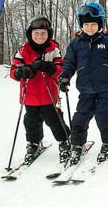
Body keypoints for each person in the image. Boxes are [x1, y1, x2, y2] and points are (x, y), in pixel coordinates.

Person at [58, 2, 108, 165]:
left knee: (103, 115)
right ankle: (77, 144)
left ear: (100, 24)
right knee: (80, 117)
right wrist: (64, 76)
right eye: (86, 24)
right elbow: (69, 63)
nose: (89, 27)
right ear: (81, 24)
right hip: (85, 88)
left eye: (93, 24)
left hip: (105, 87)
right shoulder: (75, 44)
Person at [10, 16, 71, 164]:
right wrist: (22, 72)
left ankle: (64, 141)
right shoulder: (22, 52)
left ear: (48, 34)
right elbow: (14, 72)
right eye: (36, 33)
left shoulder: (53, 50)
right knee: (31, 122)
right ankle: (34, 143)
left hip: (49, 95)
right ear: (30, 34)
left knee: (55, 120)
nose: (40, 36)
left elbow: (61, 69)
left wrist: (48, 67)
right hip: (29, 96)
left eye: (43, 33)